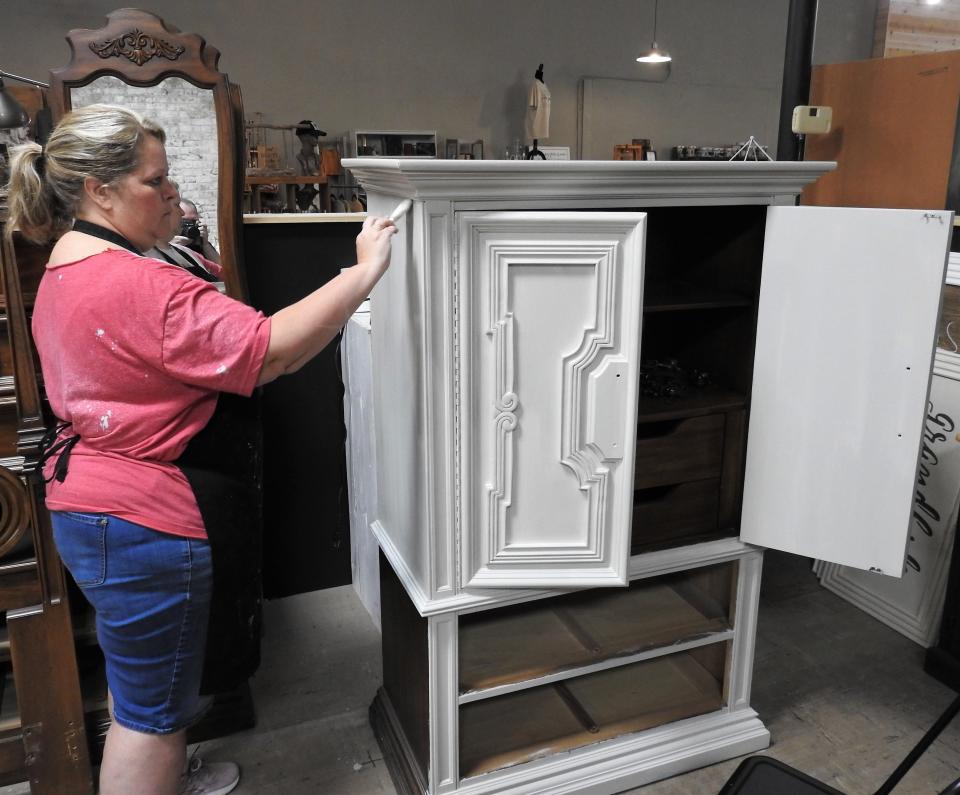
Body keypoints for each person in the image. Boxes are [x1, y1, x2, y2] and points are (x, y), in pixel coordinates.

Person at [5, 103, 396, 795]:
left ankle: (174, 777)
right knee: (148, 715)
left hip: (89, 503)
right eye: (155, 181)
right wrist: (360, 275)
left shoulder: (66, 259)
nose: (171, 192)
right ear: (100, 189)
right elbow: (269, 350)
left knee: (150, 692)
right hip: (140, 518)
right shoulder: (139, 284)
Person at [145, 184, 222, 286]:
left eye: (193, 221)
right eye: (177, 205)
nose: (181, 212)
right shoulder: (148, 258)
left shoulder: (188, 252)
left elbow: (224, 271)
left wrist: (205, 244)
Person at [174, 196, 221, 264]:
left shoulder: (198, 241)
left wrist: (205, 244)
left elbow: (221, 267)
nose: (189, 226)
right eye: (185, 221)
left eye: (193, 221)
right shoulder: (164, 242)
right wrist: (172, 246)